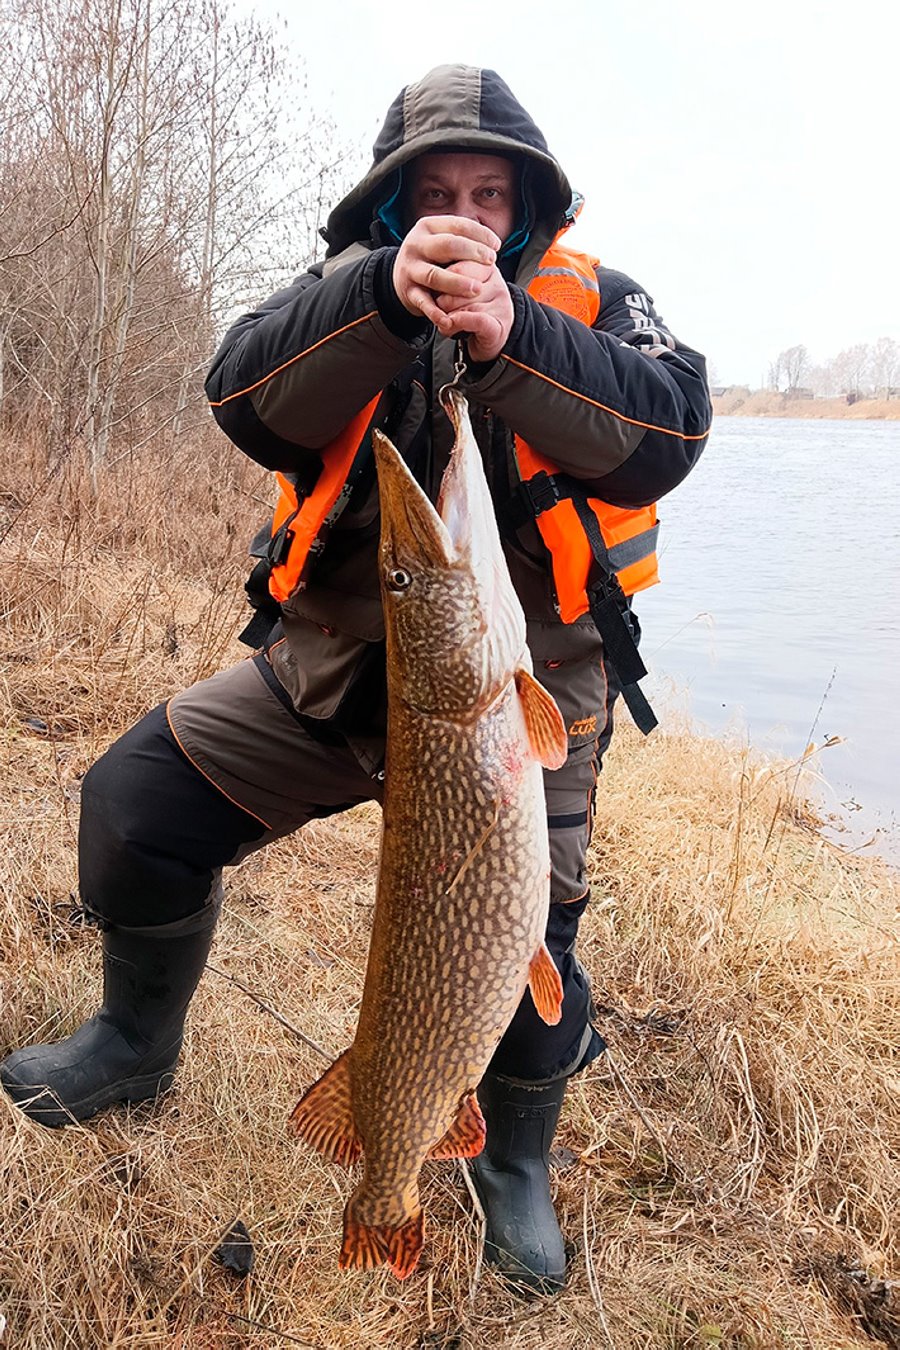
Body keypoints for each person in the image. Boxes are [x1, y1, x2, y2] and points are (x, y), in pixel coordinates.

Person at [1, 65, 711, 1294]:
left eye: (490, 194)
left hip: (515, 701)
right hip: (336, 677)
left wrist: (514, 336)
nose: (463, 216)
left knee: (527, 945)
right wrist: (384, 299)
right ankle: (131, 1044)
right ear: (391, 205)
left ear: (528, 205)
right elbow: (242, 396)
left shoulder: (599, 302)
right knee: (135, 801)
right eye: (435, 193)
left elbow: (669, 435)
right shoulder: (338, 290)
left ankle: (510, 1165)